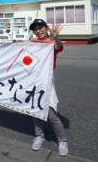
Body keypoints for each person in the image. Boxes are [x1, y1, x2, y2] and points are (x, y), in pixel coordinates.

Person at [29, 18, 69, 156]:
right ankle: (39, 136)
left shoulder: (51, 43)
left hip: (46, 80)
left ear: (46, 29)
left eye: (41, 28)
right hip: (33, 80)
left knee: (51, 113)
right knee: (35, 110)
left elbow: (58, 47)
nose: (38, 31)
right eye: (35, 29)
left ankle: (62, 141)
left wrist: (56, 37)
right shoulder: (32, 44)